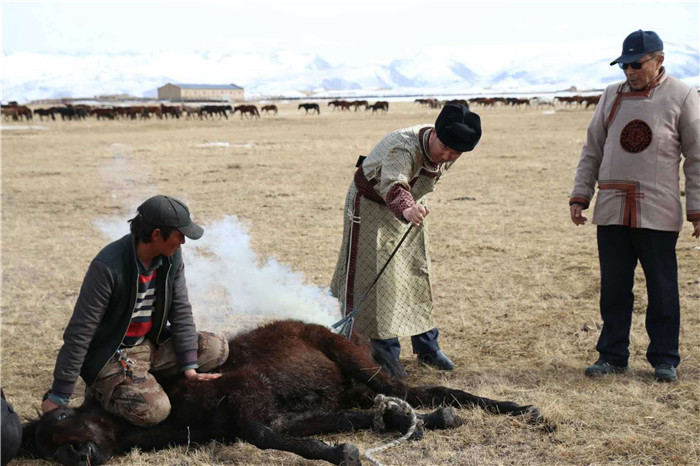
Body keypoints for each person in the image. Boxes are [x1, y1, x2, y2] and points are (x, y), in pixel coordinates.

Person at [569, 30, 700, 383]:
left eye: (636, 64)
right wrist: (580, 195)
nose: (629, 71)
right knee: (613, 288)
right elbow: (592, 149)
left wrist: (698, 210)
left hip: (657, 212)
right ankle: (612, 355)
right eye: (625, 64)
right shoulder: (611, 96)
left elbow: (697, 157)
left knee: (662, 288)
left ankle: (664, 358)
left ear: (659, 60)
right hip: (612, 209)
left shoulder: (683, 95)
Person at [41, 195, 230, 426]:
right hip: (112, 355)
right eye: (179, 234)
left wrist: (190, 369)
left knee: (217, 348)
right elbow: (80, 333)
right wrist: (59, 395)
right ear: (156, 235)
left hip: (150, 345)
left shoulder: (172, 258)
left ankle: (141, 380)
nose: (183, 241)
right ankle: (102, 391)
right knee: (155, 411)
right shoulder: (107, 267)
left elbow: (180, 310)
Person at [330, 104, 482, 375]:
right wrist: (408, 208)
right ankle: (384, 353)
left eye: (455, 153)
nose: (447, 155)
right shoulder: (404, 146)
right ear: (434, 133)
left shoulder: (447, 150)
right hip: (372, 206)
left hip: (412, 209)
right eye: (444, 147)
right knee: (379, 281)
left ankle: (427, 347)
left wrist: (413, 208)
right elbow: (395, 183)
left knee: (414, 272)